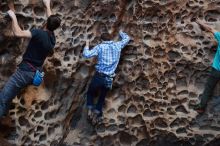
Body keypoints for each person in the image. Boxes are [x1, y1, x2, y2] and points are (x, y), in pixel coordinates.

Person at [0, 0, 61, 118]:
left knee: (3, 97)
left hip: (24, 73)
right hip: (33, 73)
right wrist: (47, 5)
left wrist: (13, 16)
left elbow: (18, 33)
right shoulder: (52, 39)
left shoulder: (38, 34)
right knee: (8, 96)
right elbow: (50, 19)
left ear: (47, 23)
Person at [83, 31, 130, 124]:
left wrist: (87, 44)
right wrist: (120, 32)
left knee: (90, 92)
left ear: (102, 40)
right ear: (110, 38)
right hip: (109, 78)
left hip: (99, 76)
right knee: (102, 97)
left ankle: (89, 110)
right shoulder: (117, 45)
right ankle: (97, 113)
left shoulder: (100, 47)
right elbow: (127, 38)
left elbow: (86, 55)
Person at [194, 19, 220, 114]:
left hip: (216, 70)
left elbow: (210, 29)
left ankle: (201, 107)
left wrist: (200, 23)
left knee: (208, 89)